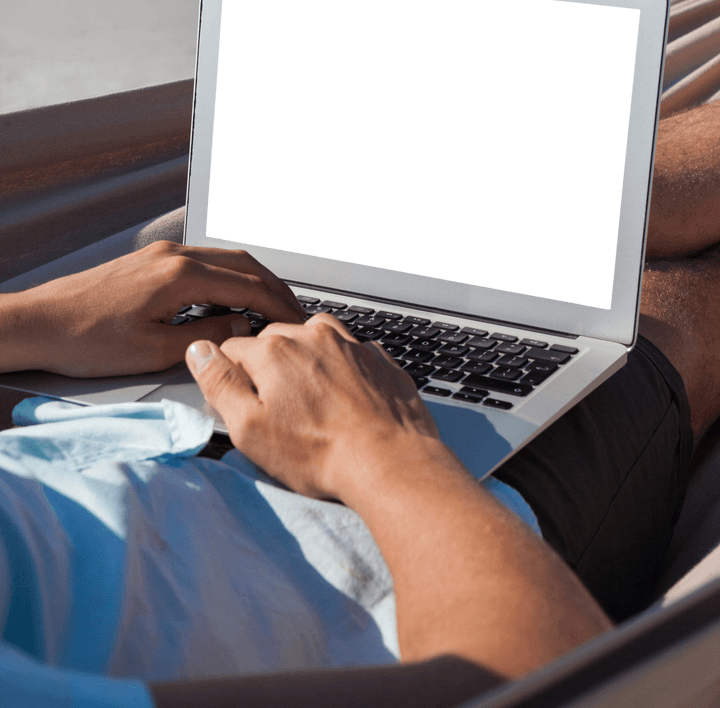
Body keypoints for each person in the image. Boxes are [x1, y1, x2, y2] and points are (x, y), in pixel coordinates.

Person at [3, 100, 720, 707]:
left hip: (125, 422)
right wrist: (379, 445)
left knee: (562, 205)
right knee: (679, 276)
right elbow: (545, 679)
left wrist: (30, 318)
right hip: (423, 534)